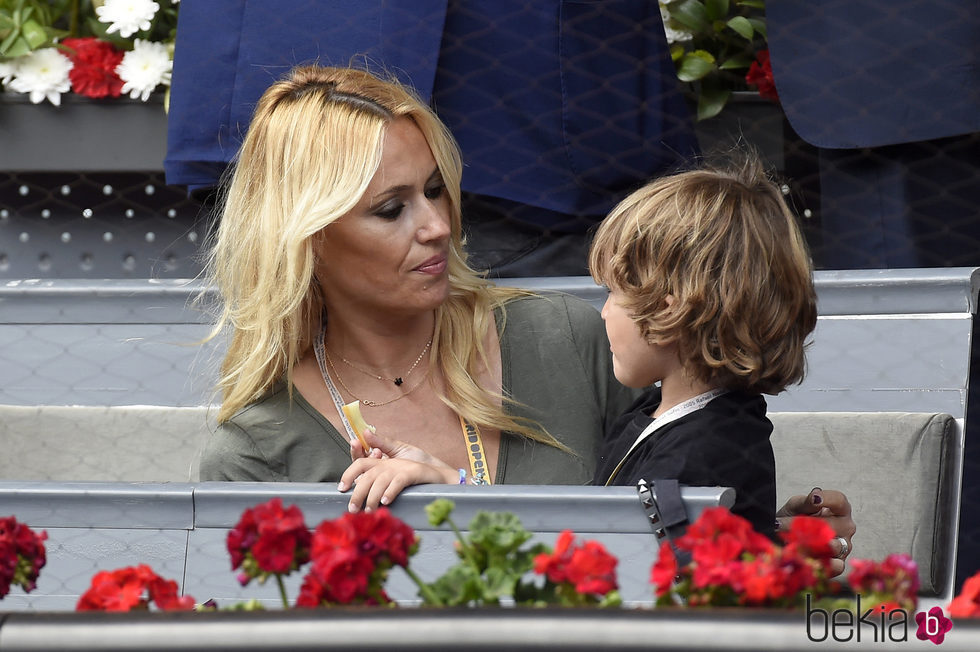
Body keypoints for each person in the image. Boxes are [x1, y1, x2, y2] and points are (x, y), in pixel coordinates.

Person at [197, 64, 854, 568]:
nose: (437, 227)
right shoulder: (256, 449)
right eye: (391, 209)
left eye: (435, 191)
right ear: (309, 239)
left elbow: (668, 501)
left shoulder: (566, 338)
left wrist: (772, 539)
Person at [587, 158, 817, 539]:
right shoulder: (656, 412)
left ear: (668, 307)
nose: (605, 312)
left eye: (614, 292)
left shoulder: (701, 453)